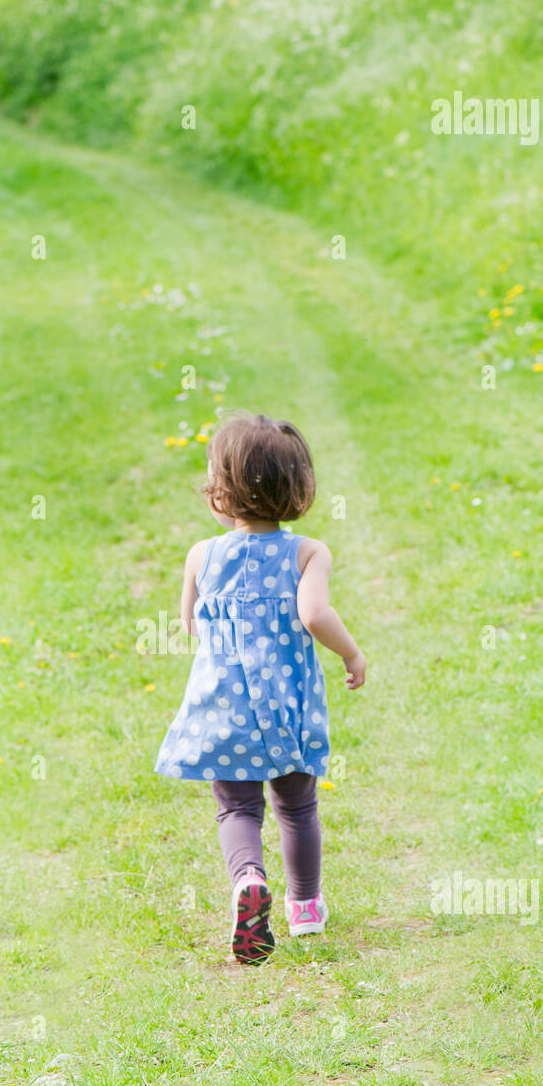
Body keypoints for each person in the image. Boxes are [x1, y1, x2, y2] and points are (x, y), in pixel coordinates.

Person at [155, 413, 366, 964]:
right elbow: (315, 613)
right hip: (288, 706)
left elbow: (190, 622)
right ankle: (305, 907)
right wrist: (350, 651)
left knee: (237, 809)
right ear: (296, 488)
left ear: (220, 492)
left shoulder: (202, 555)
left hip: (223, 706)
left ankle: (248, 879)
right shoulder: (307, 552)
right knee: (297, 807)